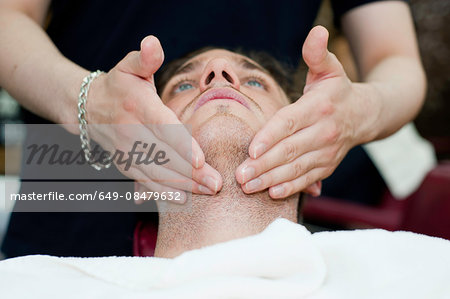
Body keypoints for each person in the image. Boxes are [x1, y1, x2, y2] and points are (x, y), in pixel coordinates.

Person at [0, 0, 426, 257]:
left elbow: (397, 59)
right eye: (185, 82)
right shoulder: (37, 280)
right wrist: (87, 101)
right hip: (71, 171)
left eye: (254, 78)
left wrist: (359, 112)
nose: (218, 73)